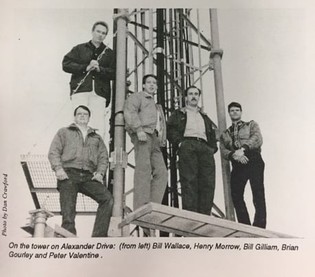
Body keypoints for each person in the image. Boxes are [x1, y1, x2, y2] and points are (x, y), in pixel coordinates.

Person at [48, 105, 113, 237]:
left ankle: (99, 236)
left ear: (89, 118)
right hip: (69, 173)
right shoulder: (64, 132)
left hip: (88, 176)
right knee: (68, 204)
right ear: (75, 117)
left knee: (107, 199)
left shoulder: (97, 138)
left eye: (85, 114)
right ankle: (68, 233)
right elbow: (54, 151)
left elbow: (103, 157)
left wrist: (100, 173)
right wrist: (58, 169)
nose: (82, 116)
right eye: (79, 114)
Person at [167, 86, 218, 215]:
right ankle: (192, 217)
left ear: (199, 97)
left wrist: (212, 148)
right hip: (188, 144)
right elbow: (170, 129)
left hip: (205, 147)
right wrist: (180, 143)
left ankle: (205, 216)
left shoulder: (204, 116)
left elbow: (213, 133)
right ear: (186, 98)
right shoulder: (179, 114)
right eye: (190, 94)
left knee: (208, 182)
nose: (193, 96)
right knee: (189, 181)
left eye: (196, 94)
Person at [62, 21, 116, 140]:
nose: (100, 35)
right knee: (79, 122)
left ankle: (95, 154)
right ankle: (77, 153)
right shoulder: (79, 49)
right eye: (98, 31)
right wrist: (85, 67)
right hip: (81, 90)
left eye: (104, 33)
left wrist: (99, 69)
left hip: (100, 93)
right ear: (92, 31)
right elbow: (66, 64)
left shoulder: (109, 53)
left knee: (98, 125)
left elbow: (114, 72)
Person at [123, 74, 168, 210]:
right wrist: (138, 129)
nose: (152, 85)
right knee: (144, 169)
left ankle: (153, 206)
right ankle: (141, 207)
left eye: (154, 83)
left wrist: (162, 138)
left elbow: (160, 122)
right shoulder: (137, 97)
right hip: (143, 134)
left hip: (154, 138)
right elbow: (130, 112)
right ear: (143, 85)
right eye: (148, 82)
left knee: (162, 172)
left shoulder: (155, 104)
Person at [220, 102, 266, 228]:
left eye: (237, 110)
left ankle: (259, 226)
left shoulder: (251, 124)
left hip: (253, 158)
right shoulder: (225, 133)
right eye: (232, 110)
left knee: (257, 191)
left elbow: (257, 138)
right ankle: (244, 225)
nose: (234, 112)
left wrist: (243, 149)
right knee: (236, 194)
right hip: (237, 162)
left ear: (241, 112)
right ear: (229, 113)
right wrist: (234, 155)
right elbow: (223, 149)